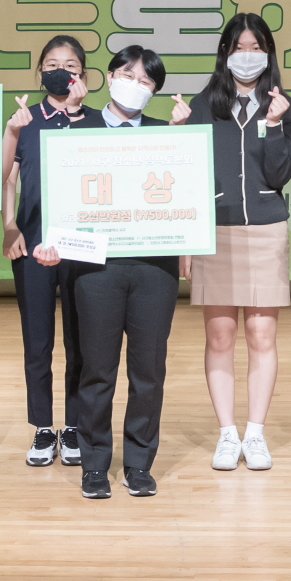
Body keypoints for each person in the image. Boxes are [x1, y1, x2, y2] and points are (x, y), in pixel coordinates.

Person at [39, 46, 192, 500]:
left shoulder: (169, 135)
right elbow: (57, 193)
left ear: (155, 91)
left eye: (146, 81)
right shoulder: (77, 129)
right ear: (108, 77)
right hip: (94, 267)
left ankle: (139, 463)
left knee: (149, 370)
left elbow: (188, 198)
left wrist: (184, 139)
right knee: (96, 369)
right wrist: (52, 240)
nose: (135, 85)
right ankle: (94, 464)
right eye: (127, 75)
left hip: (154, 267)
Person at [187, 13, 291, 472]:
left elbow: (280, 174)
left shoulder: (284, 107)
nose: (247, 56)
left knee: (261, 334)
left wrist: (272, 124)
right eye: (239, 47)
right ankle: (226, 434)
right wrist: (186, 242)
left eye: (256, 48)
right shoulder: (200, 106)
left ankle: (255, 433)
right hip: (215, 230)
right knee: (220, 335)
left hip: (266, 230)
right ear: (225, 53)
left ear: (268, 54)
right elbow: (189, 176)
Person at [1, 34, 100, 466]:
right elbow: (6, 178)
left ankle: (74, 425)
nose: (61, 71)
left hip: (83, 247)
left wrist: (76, 113)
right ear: (39, 71)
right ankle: (43, 427)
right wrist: (9, 226)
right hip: (33, 243)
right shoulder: (25, 120)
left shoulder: (97, 121)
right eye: (52, 64)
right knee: (37, 341)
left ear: (84, 75)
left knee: (81, 343)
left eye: (70, 65)